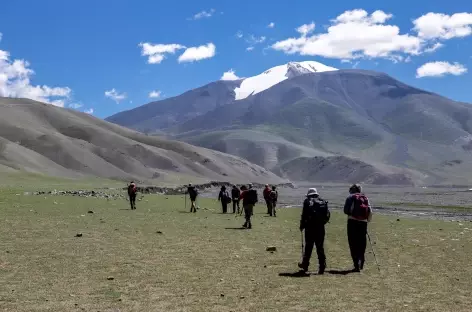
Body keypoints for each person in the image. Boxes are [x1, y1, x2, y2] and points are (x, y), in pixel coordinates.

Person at [299, 188, 330, 274]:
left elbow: (304, 215)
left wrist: (302, 226)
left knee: (308, 247)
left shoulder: (307, 202)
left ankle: (305, 265)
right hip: (320, 228)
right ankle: (322, 266)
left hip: (310, 228)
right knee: (320, 247)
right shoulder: (323, 202)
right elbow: (327, 216)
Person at [343, 184, 373, 272]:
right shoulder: (365, 198)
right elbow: (370, 211)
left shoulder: (350, 197)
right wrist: (367, 220)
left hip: (352, 221)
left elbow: (345, 210)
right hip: (363, 222)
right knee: (362, 242)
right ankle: (361, 260)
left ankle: (356, 264)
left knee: (353, 242)